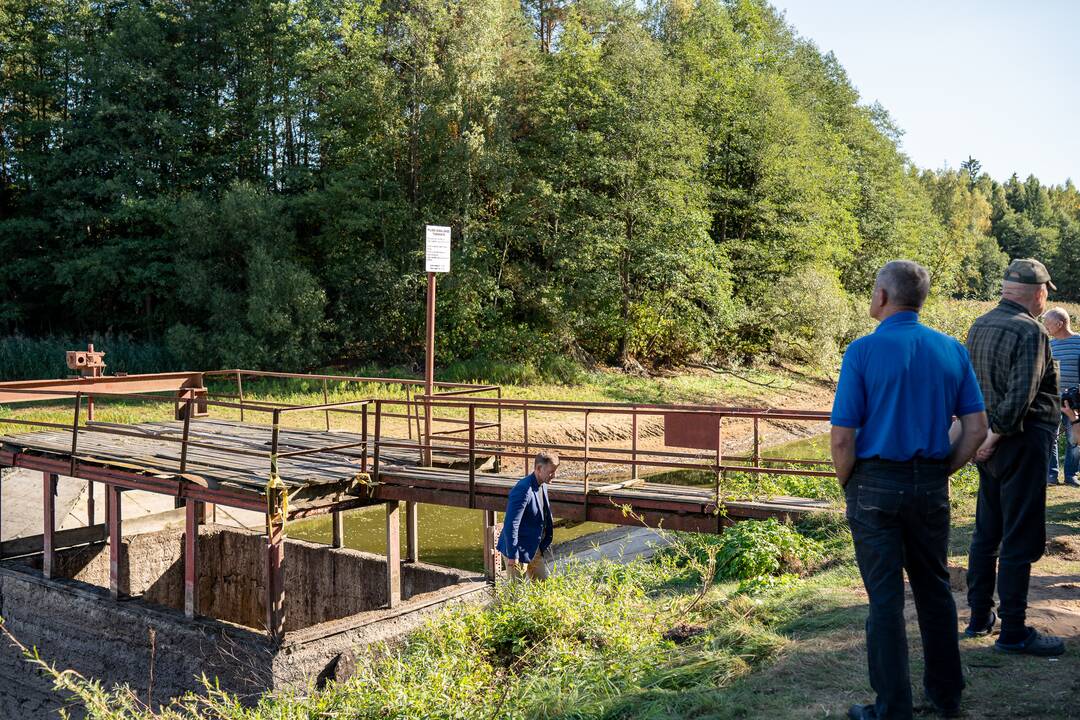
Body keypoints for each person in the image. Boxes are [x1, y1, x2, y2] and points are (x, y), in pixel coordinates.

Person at [831, 260, 987, 720]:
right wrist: (943, 471)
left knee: (884, 600)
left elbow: (842, 438)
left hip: (875, 484)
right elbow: (976, 429)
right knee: (935, 590)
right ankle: (946, 696)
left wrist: (850, 484)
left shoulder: (862, 352)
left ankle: (892, 708)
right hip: (930, 482)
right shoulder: (951, 349)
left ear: (882, 295)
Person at [964, 258, 1066, 657]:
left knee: (986, 532)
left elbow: (970, 386)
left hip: (988, 441)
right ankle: (1014, 631)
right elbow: (1021, 397)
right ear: (1039, 293)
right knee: (1020, 537)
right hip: (1019, 440)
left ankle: (977, 617)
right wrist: (994, 436)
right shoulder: (1031, 331)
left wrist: (980, 438)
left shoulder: (980, 324)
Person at [496, 451, 557, 580]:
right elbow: (511, 523)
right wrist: (513, 555)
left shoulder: (542, 485)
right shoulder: (523, 489)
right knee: (517, 593)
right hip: (516, 548)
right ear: (539, 468)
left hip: (533, 547)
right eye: (551, 471)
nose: (554, 476)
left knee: (543, 585)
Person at [1043, 307, 1080, 486]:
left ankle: (1071, 474)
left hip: (1075, 399)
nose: (1045, 327)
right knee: (1051, 435)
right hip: (1052, 398)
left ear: (1059, 324)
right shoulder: (1049, 346)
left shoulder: (1079, 342)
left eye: (1048, 323)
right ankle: (1051, 474)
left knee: (1075, 436)